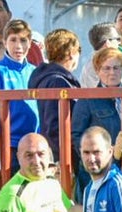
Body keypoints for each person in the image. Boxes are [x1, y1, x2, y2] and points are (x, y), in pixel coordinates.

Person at [0, 19, 40, 171]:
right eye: (13, 40)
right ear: (4, 42)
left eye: (23, 40)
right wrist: (2, 147)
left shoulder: (35, 72)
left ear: (30, 43)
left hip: (35, 146)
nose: (18, 46)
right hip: (9, 146)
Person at [71, 47, 122, 193]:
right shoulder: (87, 100)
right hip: (99, 170)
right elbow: (76, 136)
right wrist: (101, 157)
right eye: (106, 68)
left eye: (116, 68)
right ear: (97, 71)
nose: (112, 72)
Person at [28, 28, 82, 165]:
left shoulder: (46, 78)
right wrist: (67, 158)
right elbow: (54, 125)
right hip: (64, 155)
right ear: (71, 54)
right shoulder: (58, 81)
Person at [80, 23, 120, 88]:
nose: (119, 43)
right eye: (117, 39)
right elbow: (109, 92)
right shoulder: (93, 66)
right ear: (107, 42)